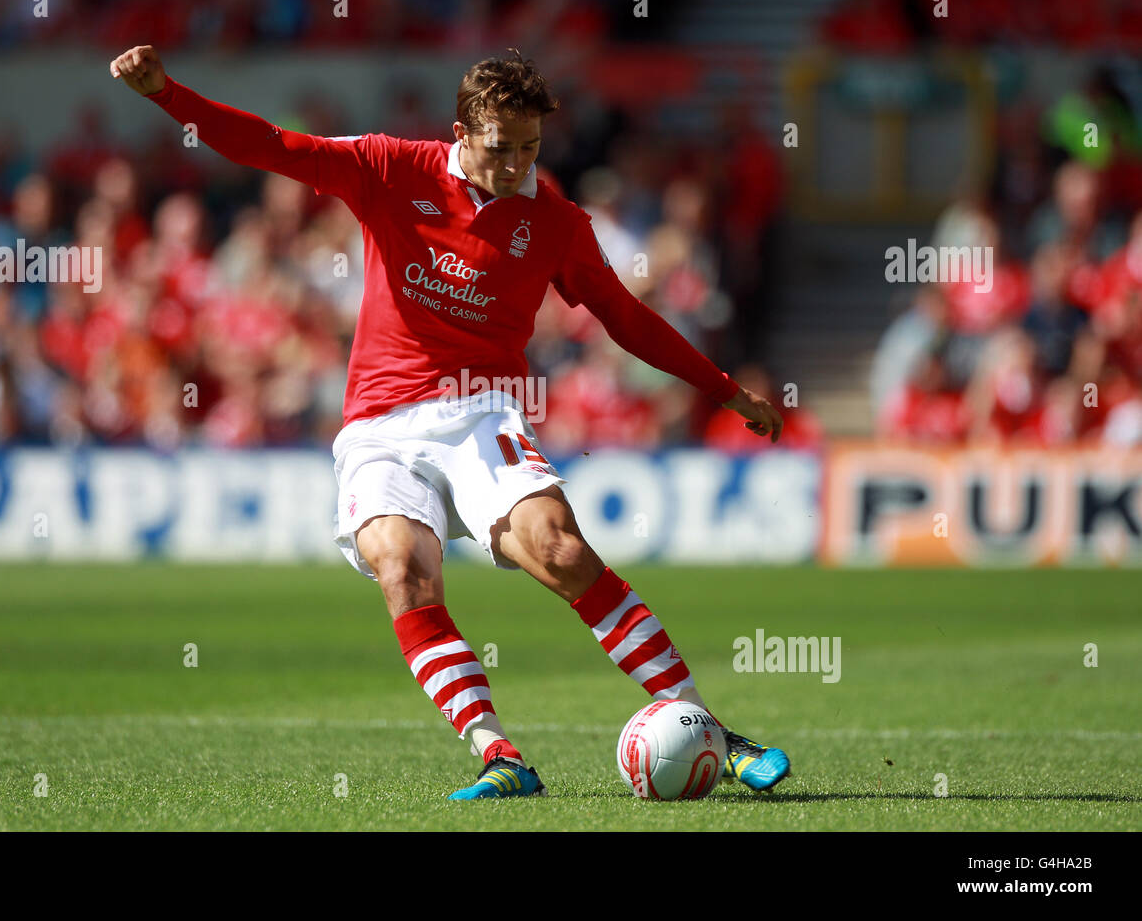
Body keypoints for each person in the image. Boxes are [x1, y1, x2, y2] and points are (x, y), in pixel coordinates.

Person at [111, 44, 791, 799]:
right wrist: (168, 94)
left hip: (479, 413)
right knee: (402, 568)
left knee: (560, 551)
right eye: (501, 148)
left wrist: (722, 387)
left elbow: (624, 317)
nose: (516, 165)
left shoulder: (555, 221)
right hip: (377, 424)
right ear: (460, 131)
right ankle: (499, 754)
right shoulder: (390, 167)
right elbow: (273, 146)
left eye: (531, 148)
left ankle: (712, 732)